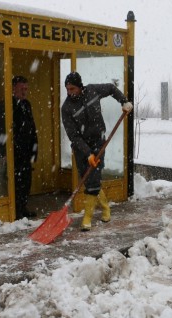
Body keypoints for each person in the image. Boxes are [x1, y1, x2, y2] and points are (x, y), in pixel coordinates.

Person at [61, 71, 133, 231]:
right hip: (80, 148)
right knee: (89, 181)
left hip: (98, 142)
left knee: (93, 179)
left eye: (72, 88)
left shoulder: (93, 90)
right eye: (67, 89)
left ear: (80, 86)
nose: (69, 92)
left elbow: (111, 88)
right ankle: (106, 207)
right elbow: (73, 135)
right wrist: (88, 154)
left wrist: (124, 101)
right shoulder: (66, 108)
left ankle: (87, 219)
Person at [0, 75, 38, 220]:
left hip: (25, 151)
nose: (25, 92)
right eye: (22, 89)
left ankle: (22, 207)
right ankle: (14, 211)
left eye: (26, 89)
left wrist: (34, 151)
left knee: (26, 182)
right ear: (13, 89)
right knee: (14, 183)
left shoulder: (27, 104)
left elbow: (32, 128)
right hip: (12, 151)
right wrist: (2, 152)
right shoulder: (4, 105)